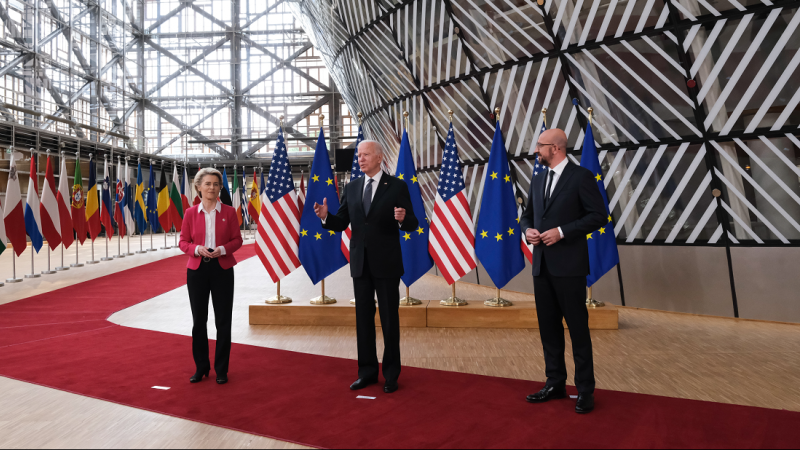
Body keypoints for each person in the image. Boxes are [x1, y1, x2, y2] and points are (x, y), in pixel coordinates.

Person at [314, 141, 418, 394]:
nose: (360, 159)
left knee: (389, 320)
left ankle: (391, 374)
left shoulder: (397, 186)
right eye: (358, 155)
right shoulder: (352, 187)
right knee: (363, 320)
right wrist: (326, 217)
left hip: (387, 264)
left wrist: (404, 220)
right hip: (360, 264)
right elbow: (341, 223)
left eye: (365, 155)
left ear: (380, 157)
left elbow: (413, 222)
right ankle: (367, 372)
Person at [520, 128, 607, 414]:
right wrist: (528, 231)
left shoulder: (581, 177)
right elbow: (528, 216)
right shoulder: (539, 178)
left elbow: (598, 216)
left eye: (540, 146)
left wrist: (561, 232)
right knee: (549, 329)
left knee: (578, 329)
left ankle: (585, 390)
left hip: (569, 267)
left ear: (555, 148)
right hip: (542, 266)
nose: (537, 151)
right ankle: (555, 382)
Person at [179, 167, 243, 385]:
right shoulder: (189, 213)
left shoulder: (229, 212)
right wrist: (197, 249)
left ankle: (221, 369)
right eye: (207, 184)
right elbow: (183, 242)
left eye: (216, 184)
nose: (212, 188)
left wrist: (222, 250)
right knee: (199, 321)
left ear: (220, 188)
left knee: (223, 321)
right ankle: (201, 367)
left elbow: (237, 240)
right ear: (198, 187)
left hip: (222, 269)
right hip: (197, 271)